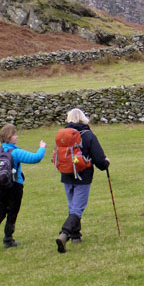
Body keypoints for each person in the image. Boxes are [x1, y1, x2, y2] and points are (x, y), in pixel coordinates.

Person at [0, 124, 46, 253]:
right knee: (12, 212)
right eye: (15, 134)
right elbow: (35, 158)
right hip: (14, 186)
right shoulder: (16, 152)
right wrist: (41, 148)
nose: (17, 136)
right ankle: (8, 239)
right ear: (9, 137)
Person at [56, 108, 110, 253]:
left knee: (72, 205)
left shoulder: (63, 135)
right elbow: (99, 158)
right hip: (83, 175)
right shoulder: (88, 134)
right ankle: (65, 233)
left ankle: (75, 236)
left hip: (66, 174)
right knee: (77, 208)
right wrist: (105, 164)